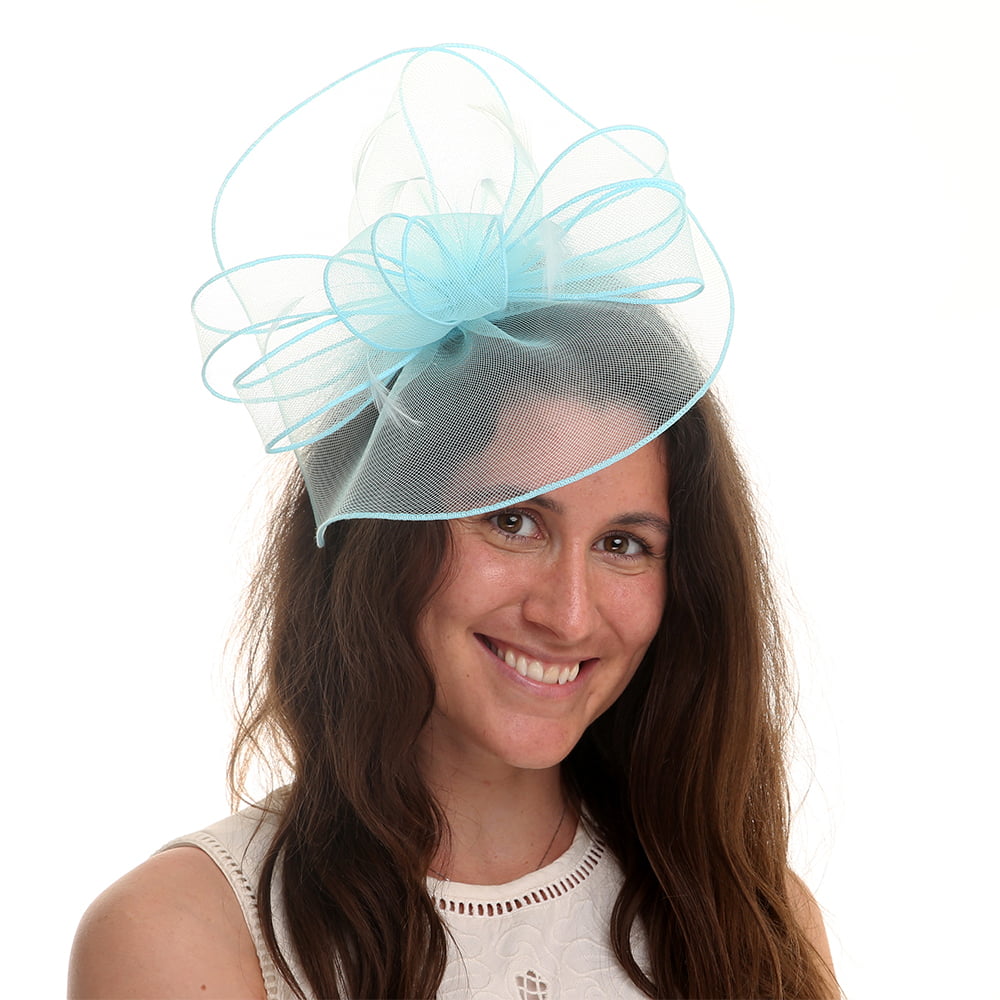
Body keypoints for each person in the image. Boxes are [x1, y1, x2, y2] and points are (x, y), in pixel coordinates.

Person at [69, 45, 839, 999]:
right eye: (512, 520)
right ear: (386, 531)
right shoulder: (184, 936)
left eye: (624, 545)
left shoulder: (752, 924)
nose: (567, 612)